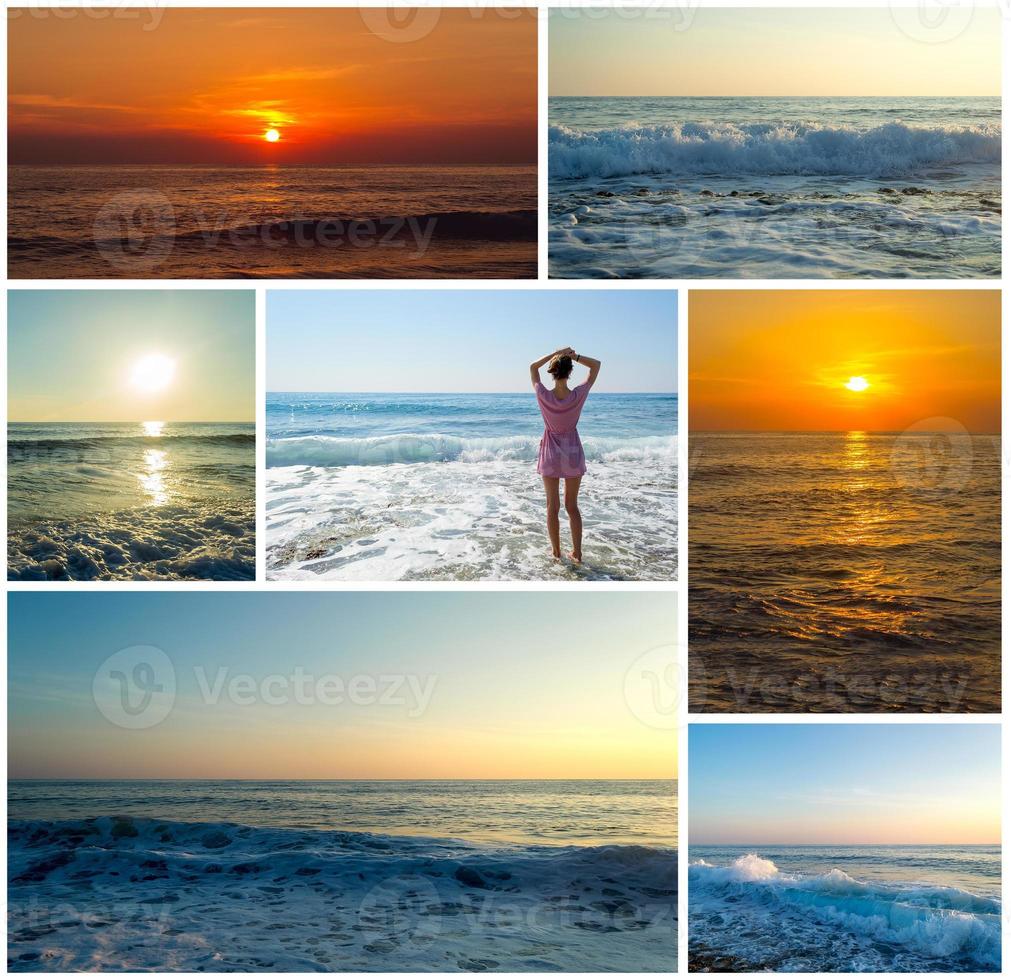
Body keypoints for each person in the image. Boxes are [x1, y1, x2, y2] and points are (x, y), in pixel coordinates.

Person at [529, 346, 601, 564]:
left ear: (552, 371)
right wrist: (574, 356)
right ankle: (577, 553)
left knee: (552, 506)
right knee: (572, 506)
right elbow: (596, 365)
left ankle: (556, 552)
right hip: (572, 453)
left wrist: (555, 354)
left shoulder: (543, 395)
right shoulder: (578, 395)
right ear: (570, 372)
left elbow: (532, 367)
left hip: (550, 452)